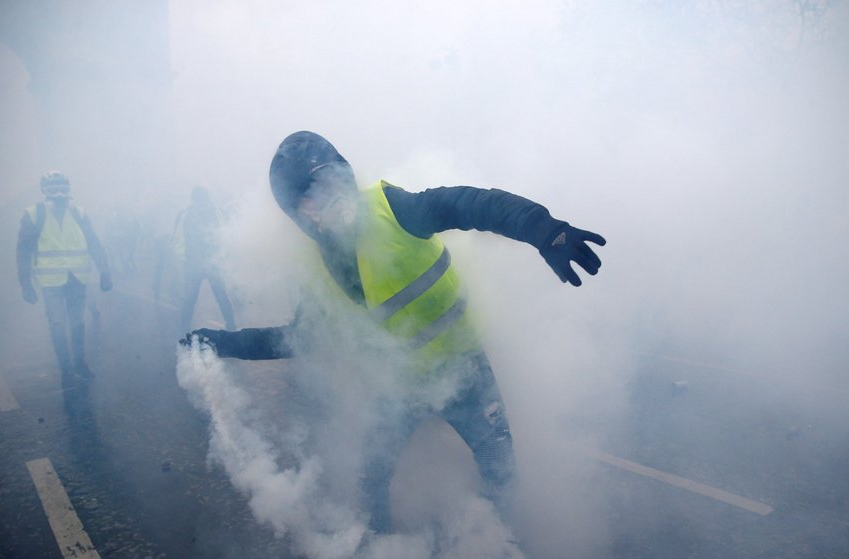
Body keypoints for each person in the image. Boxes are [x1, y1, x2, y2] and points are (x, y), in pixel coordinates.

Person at [181, 131, 605, 533]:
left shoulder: (394, 208)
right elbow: (299, 339)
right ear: (298, 216)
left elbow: (474, 205)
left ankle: (506, 557)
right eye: (305, 199)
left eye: (326, 182)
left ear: (344, 175)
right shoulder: (319, 271)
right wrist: (223, 343)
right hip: (399, 386)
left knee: (499, 466)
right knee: (371, 477)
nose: (321, 202)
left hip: (466, 370)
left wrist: (545, 230)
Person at [17, 170, 112, 388]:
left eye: (62, 188)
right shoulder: (34, 214)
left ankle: (80, 363)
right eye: (53, 189)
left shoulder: (79, 212)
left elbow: (93, 242)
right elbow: (23, 251)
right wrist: (25, 283)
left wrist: (105, 271)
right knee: (58, 324)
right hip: (51, 282)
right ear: (44, 191)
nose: (59, 194)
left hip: (77, 278)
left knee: (78, 323)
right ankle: (66, 370)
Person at [173, 185, 237, 335]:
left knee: (189, 300)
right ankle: (232, 327)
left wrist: (185, 259)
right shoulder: (217, 212)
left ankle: (183, 330)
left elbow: (177, 241)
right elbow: (227, 236)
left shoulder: (186, 214)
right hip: (210, 263)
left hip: (194, 264)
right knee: (221, 298)